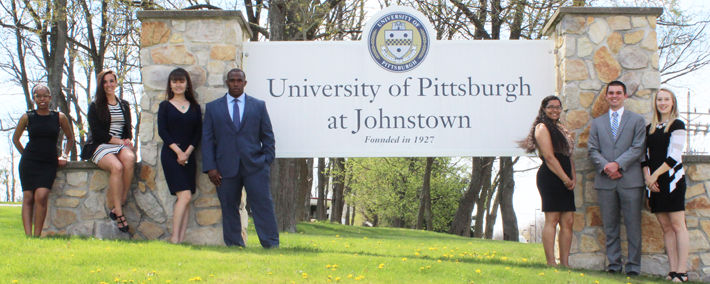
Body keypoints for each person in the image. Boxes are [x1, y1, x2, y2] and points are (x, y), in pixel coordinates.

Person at [202, 68, 279, 248]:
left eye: (239, 80)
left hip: (255, 166)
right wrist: (210, 167)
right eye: (232, 80)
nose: (235, 83)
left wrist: (266, 160)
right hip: (224, 167)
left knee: (263, 206)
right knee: (229, 208)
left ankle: (271, 245)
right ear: (227, 82)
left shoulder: (258, 106)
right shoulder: (213, 108)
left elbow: (268, 136)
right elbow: (207, 140)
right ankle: (234, 245)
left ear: (245, 83)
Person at [587, 80, 646, 276]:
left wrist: (617, 164)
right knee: (610, 226)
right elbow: (592, 150)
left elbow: (638, 148)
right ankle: (614, 265)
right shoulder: (597, 123)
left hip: (631, 181)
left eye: (618, 93)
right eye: (611, 93)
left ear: (625, 96)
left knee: (633, 226)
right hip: (605, 182)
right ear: (606, 96)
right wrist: (607, 167)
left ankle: (633, 268)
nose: (614, 96)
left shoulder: (637, 120)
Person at [518, 96, 576, 267]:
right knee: (552, 219)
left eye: (558, 107)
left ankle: (565, 263)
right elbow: (550, 157)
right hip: (551, 177)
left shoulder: (561, 128)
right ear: (543, 109)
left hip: (566, 178)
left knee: (568, 221)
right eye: (550, 107)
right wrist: (565, 179)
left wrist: (572, 178)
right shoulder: (541, 128)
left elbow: (568, 155)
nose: (555, 110)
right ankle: (551, 263)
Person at [13, 84, 74, 237]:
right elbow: (15, 139)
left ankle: (37, 234)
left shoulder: (59, 117)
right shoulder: (28, 117)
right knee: (28, 198)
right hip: (29, 163)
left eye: (44, 95)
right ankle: (29, 236)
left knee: (41, 196)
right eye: (38, 96)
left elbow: (70, 138)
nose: (42, 99)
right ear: (34, 98)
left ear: (50, 97)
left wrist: (65, 155)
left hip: (48, 163)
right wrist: (25, 154)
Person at [642, 88, 689, 283]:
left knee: (678, 226)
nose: (662, 103)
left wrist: (654, 176)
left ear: (672, 102)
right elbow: (643, 157)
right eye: (659, 99)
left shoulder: (677, 124)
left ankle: (682, 271)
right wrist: (648, 179)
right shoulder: (650, 128)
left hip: (672, 181)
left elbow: (674, 156)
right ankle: (672, 271)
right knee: (665, 228)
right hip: (654, 183)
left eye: (666, 99)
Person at [80, 70, 135, 233]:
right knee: (117, 167)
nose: (109, 85)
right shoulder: (95, 105)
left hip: (118, 145)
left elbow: (127, 130)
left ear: (116, 82)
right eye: (105, 82)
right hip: (99, 144)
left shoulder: (124, 104)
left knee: (130, 159)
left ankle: (121, 201)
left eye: (111, 81)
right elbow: (98, 133)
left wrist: (126, 141)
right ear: (100, 85)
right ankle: (119, 212)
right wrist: (119, 141)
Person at [157, 68, 202, 244]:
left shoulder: (195, 107)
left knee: (187, 197)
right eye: (174, 81)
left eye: (181, 81)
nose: (178, 85)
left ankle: (180, 240)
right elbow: (163, 131)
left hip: (189, 157)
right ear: (170, 84)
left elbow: (198, 133)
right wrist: (179, 152)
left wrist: (188, 152)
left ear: (187, 84)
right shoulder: (165, 106)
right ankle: (174, 239)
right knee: (184, 196)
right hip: (171, 156)